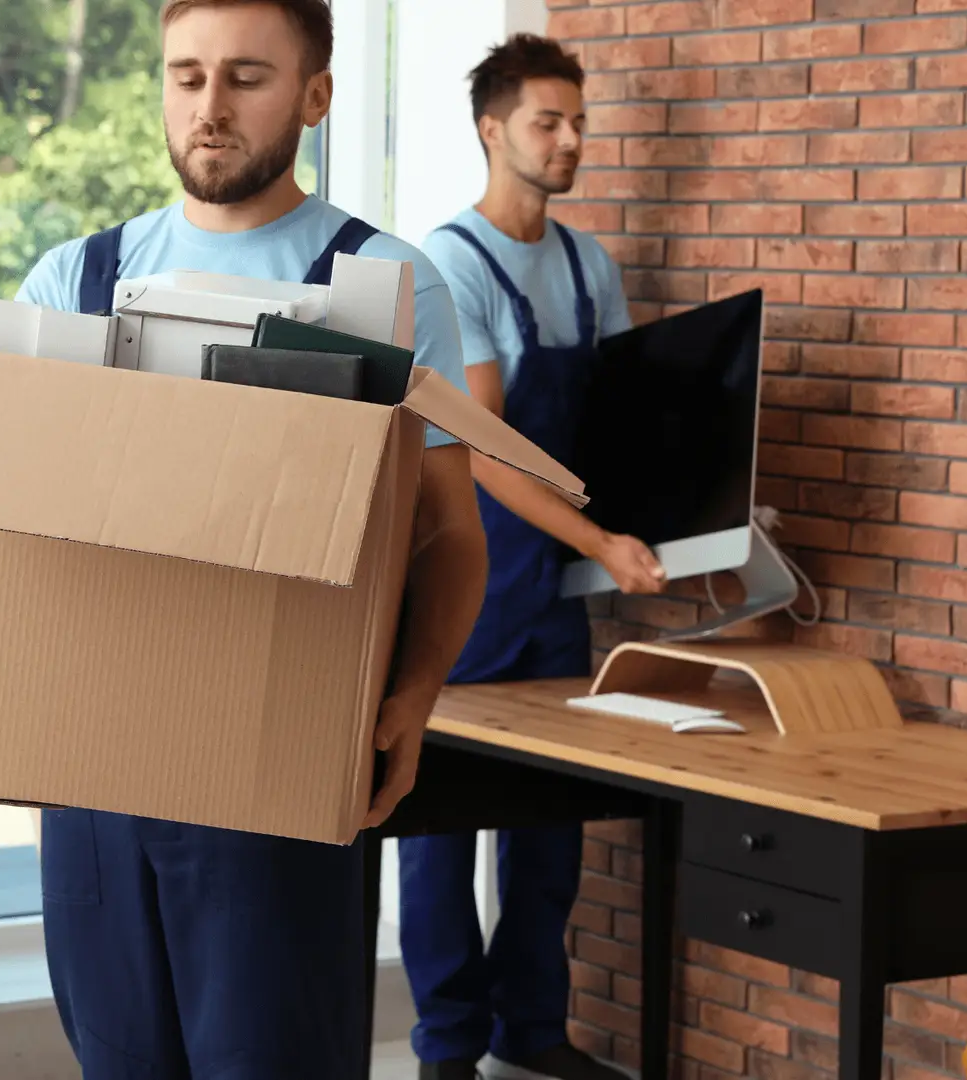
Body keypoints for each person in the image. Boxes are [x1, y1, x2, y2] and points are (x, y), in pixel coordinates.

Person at [12, 2, 490, 1077]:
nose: (209, 107)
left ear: (316, 96)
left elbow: (450, 533)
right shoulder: (72, 284)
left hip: (286, 756)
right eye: (185, 77)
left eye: (245, 77)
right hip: (97, 773)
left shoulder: (388, 287)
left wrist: (413, 700)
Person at [397, 34, 665, 1080]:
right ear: (492, 129)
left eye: (579, 123)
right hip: (469, 580)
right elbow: (482, 447)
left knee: (553, 831)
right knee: (440, 833)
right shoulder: (447, 264)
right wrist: (601, 539)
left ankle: (534, 1031)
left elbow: (621, 429)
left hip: (558, 596)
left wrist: (693, 535)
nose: (569, 141)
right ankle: (447, 1047)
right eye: (548, 122)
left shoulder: (587, 264)